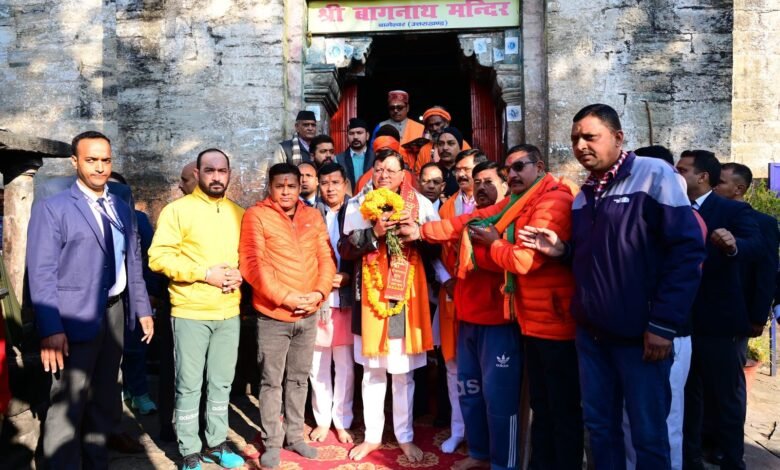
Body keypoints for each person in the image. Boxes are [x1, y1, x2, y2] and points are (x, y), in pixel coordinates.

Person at [518, 104, 706, 469]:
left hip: (641, 337)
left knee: (648, 436)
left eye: (590, 136)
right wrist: (563, 251)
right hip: (592, 336)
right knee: (600, 429)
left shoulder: (654, 175)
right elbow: (599, 259)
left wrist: (663, 324)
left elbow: (687, 252)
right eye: (575, 138)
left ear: (618, 138)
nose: (580, 145)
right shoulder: (585, 194)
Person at [421, 148, 581, 469]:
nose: (481, 187)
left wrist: (488, 246)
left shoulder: (541, 202)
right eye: (477, 181)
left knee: (511, 403)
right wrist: (420, 231)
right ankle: (481, 454)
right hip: (492, 318)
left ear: (538, 167)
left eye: (490, 180)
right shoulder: (495, 211)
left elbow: (520, 260)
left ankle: (503, 464)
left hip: (520, 321)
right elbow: (457, 228)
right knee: (474, 392)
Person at [27, 130, 154, 468]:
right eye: (91, 160)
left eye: (105, 160)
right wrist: (50, 329)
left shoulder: (121, 205)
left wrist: (142, 308)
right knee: (68, 404)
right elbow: (41, 273)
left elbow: (133, 261)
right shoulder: (53, 208)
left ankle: (97, 463)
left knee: (105, 399)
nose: (100, 167)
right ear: (75, 162)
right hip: (71, 319)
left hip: (114, 314)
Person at [149, 148, 246, 470]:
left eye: (222, 171)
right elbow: (158, 258)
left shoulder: (238, 212)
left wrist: (241, 274)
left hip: (229, 311)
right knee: (189, 385)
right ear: (198, 173)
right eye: (209, 170)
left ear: (229, 174)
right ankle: (189, 449)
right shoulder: (177, 211)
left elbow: (248, 257)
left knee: (221, 383)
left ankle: (217, 443)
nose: (216, 177)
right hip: (191, 311)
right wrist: (205, 273)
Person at [338, 149, 437, 463]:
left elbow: (438, 247)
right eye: (378, 169)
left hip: (405, 298)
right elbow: (344, 249)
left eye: (391, 170)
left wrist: (416, 234)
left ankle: (405, 436)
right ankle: (372, 436)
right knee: (372, 371)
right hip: (369, 297)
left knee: (403, 373)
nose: (383, 176)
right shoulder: (357, 204)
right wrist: (374, 233)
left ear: (403, 174)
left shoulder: (420, 204)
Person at [239, 163, 336, 469]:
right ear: (269, 187)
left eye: (291, 186)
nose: (285, 192)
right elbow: (252, 264)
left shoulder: (313, 215)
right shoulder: (256, 215)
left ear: (299, 187)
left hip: (309, 312)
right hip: (273, 314)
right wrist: (286, 298)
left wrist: (319, 293)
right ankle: (272, 442)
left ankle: (294, 436)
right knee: (271, 381)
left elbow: (326, 257)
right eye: (279, 186)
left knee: (298, 378)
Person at [676, 151, 762, 470]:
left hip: (719, 323)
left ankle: (732, 460)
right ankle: (690, 459)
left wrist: (732, 244)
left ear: (702, 177)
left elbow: (756, 246)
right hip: (680, 322)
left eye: (683, 170)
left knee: (724, 399)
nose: (676, 175)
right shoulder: (673, 208)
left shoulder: (731, 210)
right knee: (687, 397)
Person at [621, 145, 705, 470]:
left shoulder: (684, 216)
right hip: (635, 332)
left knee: (664, 421)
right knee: (633, 421)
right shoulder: (641, 213)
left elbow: (683, 273)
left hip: (668, 333)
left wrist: (662, 326)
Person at [433, 148, 487, 453]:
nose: (463, 174)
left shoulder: (493, 203)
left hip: (483, 295)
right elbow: (434, 252)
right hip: (451, 294)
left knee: (484, 369)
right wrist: (447, 280)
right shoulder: (447, 207)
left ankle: (483, 435)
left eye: (468, 169)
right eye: (459, 170)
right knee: (453, 366)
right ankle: (458, 430)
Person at [309, 163, 356, 445]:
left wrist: (349, 275)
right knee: (317, 364)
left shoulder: (357, 211)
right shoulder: (309, 213)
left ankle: (342, 419)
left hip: (346, 298)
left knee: (345, 365)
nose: (330, 188)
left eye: (335, 182)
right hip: (319, 297)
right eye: (324, 183)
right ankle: (322, 419)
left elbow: (365, 251)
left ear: (345, 184)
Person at [257, 111, 317, 194]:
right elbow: (277, 176)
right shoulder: (284, 148)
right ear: (297, 127)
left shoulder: (321, 147)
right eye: (306, 125)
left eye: (313, 125)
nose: (310, 128)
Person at [414, 107, 471, 174]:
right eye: (430, 125)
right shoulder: (424, 150)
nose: (434, 128)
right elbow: (418, 174)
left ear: (446, 123)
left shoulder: (461, 144)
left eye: (438, 124)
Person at [376, 90, 425, 167]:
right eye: (392, 108)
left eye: (399, 107)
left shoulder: (420, 128)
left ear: (407, 108)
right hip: (386, 169)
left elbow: (425, 153)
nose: (395, 111)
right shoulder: (380, 126)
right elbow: (373, 151)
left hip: (414, 170)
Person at [336, 118, 374, 188]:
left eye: (359, 133)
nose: (355, 137)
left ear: (367, 136)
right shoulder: (338, 159)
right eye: (351, 133)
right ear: (347, 137)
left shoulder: (375, 157)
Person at [436, 127, 465, 197]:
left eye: (451, 143)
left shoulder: (466, 171)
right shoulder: (432, 171)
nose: (445, 148)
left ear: (460, 148)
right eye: (441, 144)